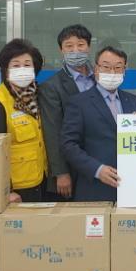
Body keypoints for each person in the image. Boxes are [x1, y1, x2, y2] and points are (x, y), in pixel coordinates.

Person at [61, 46, 136, 202]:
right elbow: (68, 144)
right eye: (106, 66)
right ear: (96, 69)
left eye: (118, 67)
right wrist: (97, 169)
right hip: (95, 187)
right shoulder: (79, 103)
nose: (112, 72)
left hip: (130, 186)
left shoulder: (133, 101)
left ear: (124, 71)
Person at [0, 39, 47, 203]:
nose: (22, 69)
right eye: (16, 65)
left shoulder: (38, 97)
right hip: (17, 189)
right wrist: (7, 190)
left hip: (40, 180)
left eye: (27, 65)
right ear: (6, 70)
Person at [39, 24, 94, 201]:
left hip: (100, 163)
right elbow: (53, 132)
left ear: (89, 47)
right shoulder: (51, 87)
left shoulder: (100, 78)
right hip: (71, 168)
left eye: (81, 44)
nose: (75, 50)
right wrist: (61, 172)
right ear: (61, 50)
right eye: (69, 46)